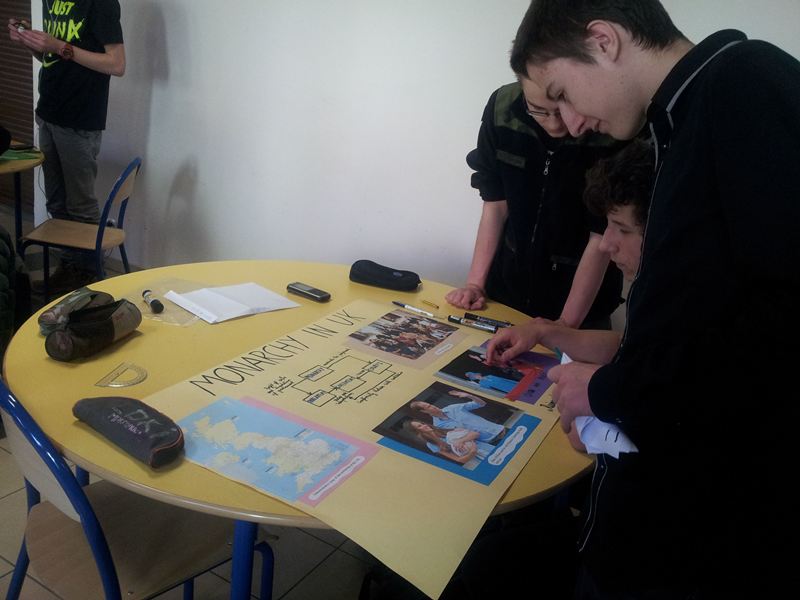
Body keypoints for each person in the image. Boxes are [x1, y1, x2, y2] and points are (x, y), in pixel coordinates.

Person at [506, 1, 800, 597]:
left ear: (603, 40)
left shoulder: (743, 81)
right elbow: (705, 319)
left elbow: (777, 332)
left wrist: (607, 390)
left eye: (561, 93)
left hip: (705, 534)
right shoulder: (679, 120)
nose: (570, 123)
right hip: (657, 514)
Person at [445, 77, 623, 328]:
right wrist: (475, 284)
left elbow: (601, 234)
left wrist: (565, 326)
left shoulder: (609, 123)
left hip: (581, 306)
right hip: (507, 291)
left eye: (561, 110)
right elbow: (495, 204)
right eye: (539, 110)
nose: (554, 123)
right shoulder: (502, 108)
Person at [7, 1, 125, 294]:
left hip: (80, 119)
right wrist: (32, 41)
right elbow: (54, 57)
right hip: (48, 111)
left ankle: (88, 279)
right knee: (56, 203)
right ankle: (69, 270)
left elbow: (116, 64)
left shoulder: (101, 3)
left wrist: (58, 45)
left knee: (80, 207)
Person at [410, 391, 506, 444]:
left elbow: (481, 403)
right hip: (489, 442)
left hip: (501, 430)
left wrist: (469, 395)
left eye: (430, 404)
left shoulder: (453, 408)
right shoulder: (439, 426)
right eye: (428, 407)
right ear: (424, 411)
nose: (433, 406)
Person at [408, 420, 493, 464]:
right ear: (417, 432)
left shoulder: (443, 429)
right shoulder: (432, 445)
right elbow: (459, 460)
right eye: (420, 426)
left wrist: (460, 441)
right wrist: (472, 452)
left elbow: (475, 434)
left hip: (488, 448)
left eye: (422, 423)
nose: (424, 425)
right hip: (480, 458)